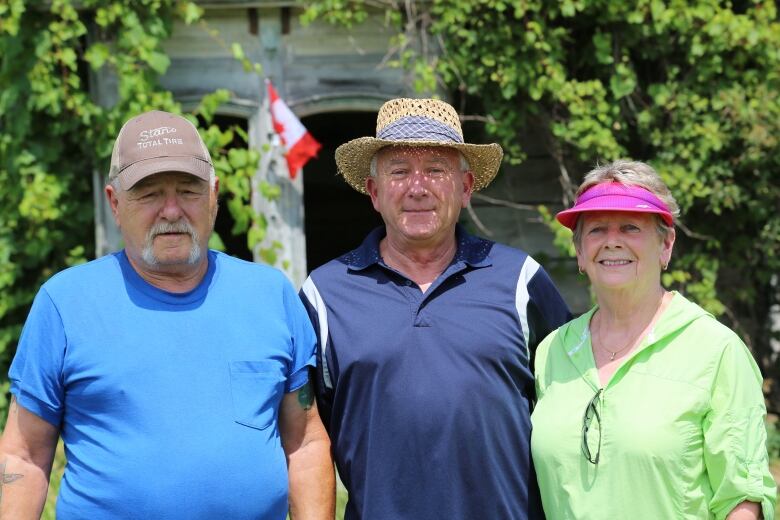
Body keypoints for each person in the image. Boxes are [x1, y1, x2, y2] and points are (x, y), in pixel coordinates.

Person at [0, 110, 335, 519]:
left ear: (214, 196)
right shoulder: (65, 304)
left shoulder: (270, 296)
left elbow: (305, 445)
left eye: (188, 191)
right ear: (114, 202)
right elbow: (23, 457)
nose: (172, 211)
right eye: (150, 193)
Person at [299, 98, 571, 519]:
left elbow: (571, 412)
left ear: (465, 188)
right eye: (399, 171)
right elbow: (308, 435)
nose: (418, 187)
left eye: (436, 170)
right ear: (374, 192)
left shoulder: (521, 281)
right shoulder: (325, 294)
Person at [531, 160, 777, 519]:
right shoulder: (552, 351)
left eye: (630, 227)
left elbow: (743, 500)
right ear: (580, 251)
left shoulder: (716, 351)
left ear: (666, 245)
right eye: (597, 230)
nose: (612, 242)